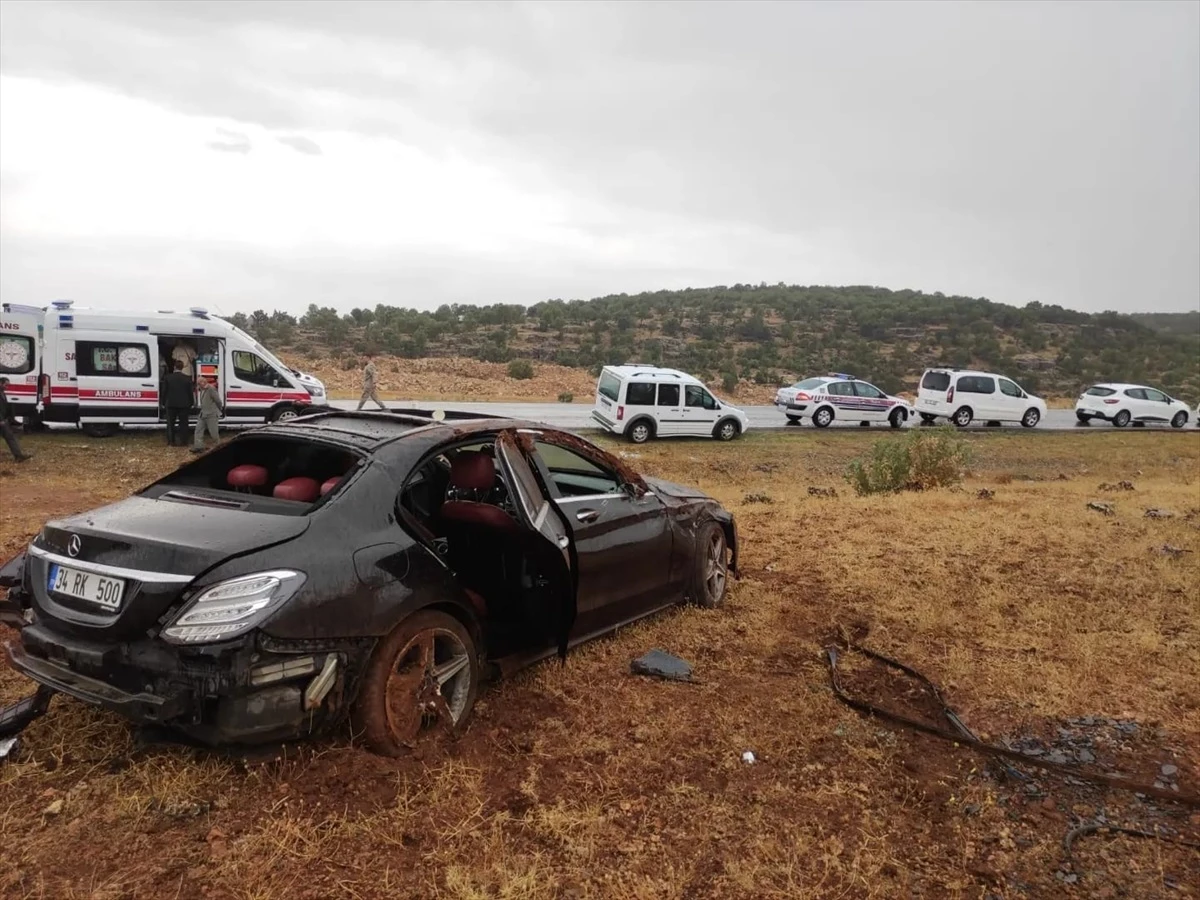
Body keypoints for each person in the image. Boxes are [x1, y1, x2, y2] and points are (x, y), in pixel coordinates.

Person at [163, 359, 194, 446]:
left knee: (170, 424)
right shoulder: (187, 378)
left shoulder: (167, 378)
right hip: (184, 404)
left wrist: (163, 402)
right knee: (184, 423)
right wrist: (191, 403)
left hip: (171, 404)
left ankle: (171, 441)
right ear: (182, 367)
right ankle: (184, 441)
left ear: (174, 367)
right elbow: (190, 393)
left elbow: (164, 391)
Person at [0, 377, 31, 462]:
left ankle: (18, 456)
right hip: (1, 420)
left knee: (10, 437)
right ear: (0, 383)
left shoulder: (3, 393)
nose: (7, 387)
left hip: (4, 420)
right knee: (10, 437)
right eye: (6, 385)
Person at [191, 375, 223, 453]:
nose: (198, 385)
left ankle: (219, 447)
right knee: (198, 430)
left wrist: (219, 409)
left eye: (199, 383)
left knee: (214, 432)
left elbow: (218, 401)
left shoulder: (211, 389)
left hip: (211, 414)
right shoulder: (202, 389)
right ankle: (198, 446)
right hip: (203, 414)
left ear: (203, 382)